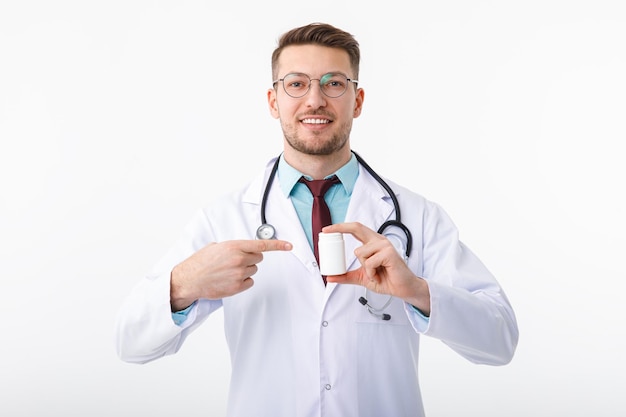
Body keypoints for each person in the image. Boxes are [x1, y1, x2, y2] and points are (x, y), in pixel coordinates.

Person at [115, 22, 519, 417]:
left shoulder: (416, 216)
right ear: (273, 102)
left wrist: (417, 291)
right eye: (296, 83)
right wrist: (183, 283)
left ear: (357, 101)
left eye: (333, 83)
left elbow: (500, 340)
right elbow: (131, 344)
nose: (314, 100)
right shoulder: (225, 218)